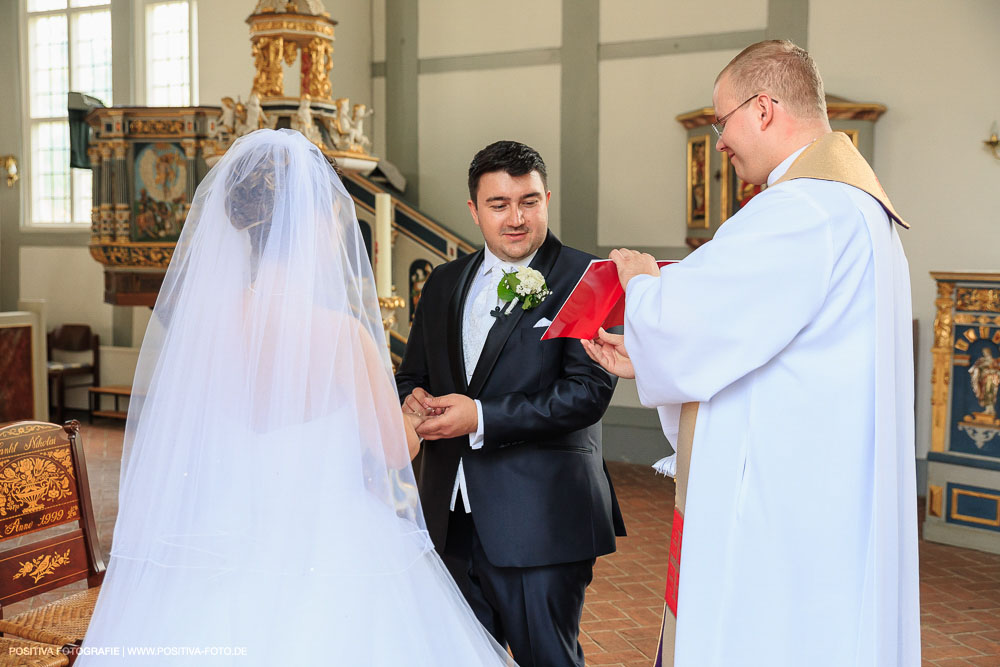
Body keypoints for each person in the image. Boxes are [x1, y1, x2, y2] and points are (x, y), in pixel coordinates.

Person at [77, 129, 514, 665]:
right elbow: (395, 451)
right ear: (309, 223)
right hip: (332, 541)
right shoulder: (339, 335)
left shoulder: (204, 327)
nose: (339, 227)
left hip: (220, 532)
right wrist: (409, 413)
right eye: (333, 213)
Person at [582, 41, 920, 667]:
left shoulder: (801, 208)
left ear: (763, 108)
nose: (719, 141)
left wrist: (638, 283)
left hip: (783, 504)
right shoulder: (857, 210)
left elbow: (688, 313)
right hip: (825, 488)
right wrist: (652, 355)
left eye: (722, 121)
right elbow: (749, 334)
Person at [396, 140, 626, 667]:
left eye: (529, 201)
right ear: (474, 210)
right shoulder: (443, 282)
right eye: (499, 205)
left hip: (541, 518)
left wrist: (478, 417)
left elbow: (587, 393)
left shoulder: (586, 277)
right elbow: (413, 374)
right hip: (449, 515)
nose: (516, 218)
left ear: (547, 198)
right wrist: (414, 400)